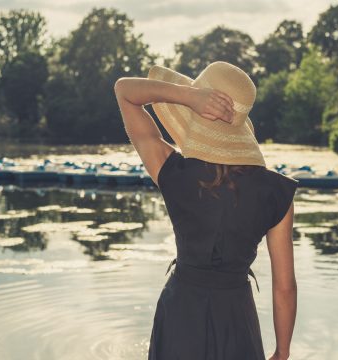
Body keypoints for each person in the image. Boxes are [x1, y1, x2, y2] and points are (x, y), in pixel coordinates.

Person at [114, 61, 298, 360]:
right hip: (237, 319)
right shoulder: (276, 193)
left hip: (180, 314)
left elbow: (124, 90)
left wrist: (188, 97)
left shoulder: (172, 171)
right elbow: (285, 287)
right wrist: (283, 352)